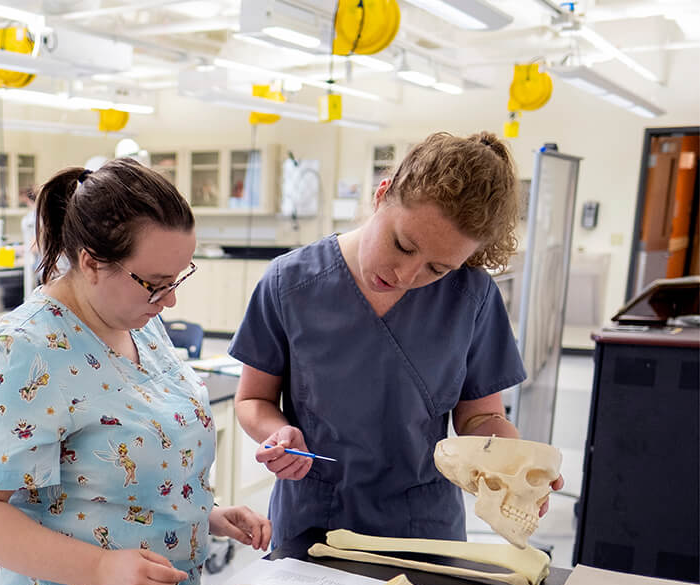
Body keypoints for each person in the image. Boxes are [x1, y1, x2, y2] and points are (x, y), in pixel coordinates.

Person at [0, 158, 270, 585]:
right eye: (156, 283)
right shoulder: (25, 351)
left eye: (179, 278)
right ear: (92, 261)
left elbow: (118, 466)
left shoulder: (139, 321)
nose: (170, 300)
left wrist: (205, 515)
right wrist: (100, 568)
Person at [229, 131, 564, 548]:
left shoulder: (472, 297)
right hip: (315, 517)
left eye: (437, 269)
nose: (406, 276)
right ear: (382, 194)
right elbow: (252, 401)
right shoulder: (289, 283)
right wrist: (277, 433)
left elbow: (480, 418)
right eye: (403, 245)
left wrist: (519, 467)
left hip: (423, 525)